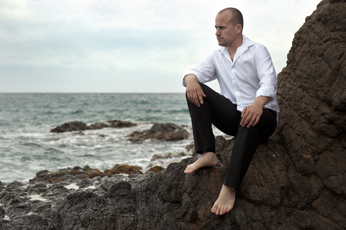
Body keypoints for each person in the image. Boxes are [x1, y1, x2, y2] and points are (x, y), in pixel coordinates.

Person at [182, 7, 279, 215]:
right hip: (237, 116)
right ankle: (208, 153)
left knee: (249, 116)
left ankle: (229, 187)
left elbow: (269, 83)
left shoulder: (257, 50)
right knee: (195, 91)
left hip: (264, 116)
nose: (217, 32)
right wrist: (191, 80)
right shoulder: (217, 56)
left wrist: (257, 104)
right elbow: (193, 73)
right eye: (216, 27)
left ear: (238, 28)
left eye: (222, 28)